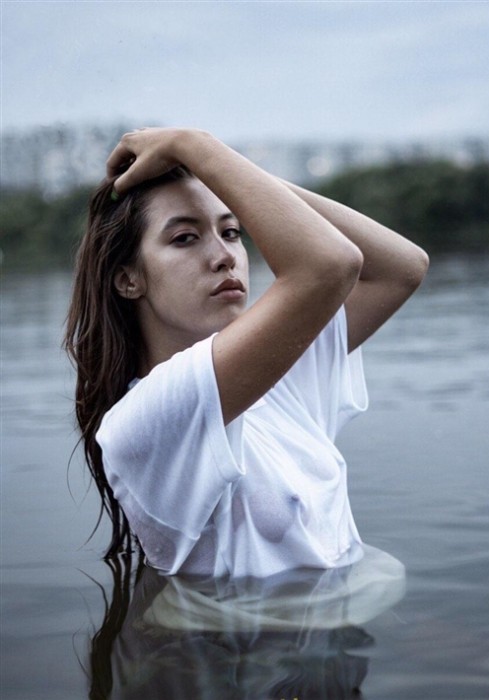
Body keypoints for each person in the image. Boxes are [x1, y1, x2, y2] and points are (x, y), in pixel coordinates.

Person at [65, 127, 429, 578]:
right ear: (128, 279)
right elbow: (331, 265)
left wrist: (221, 170)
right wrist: (192, 144)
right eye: (185, 238)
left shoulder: (275, 378)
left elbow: (400, 268)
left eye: (232, 231)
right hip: (256, 628)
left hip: (339, 621)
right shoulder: (145, 419)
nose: (225, 256)